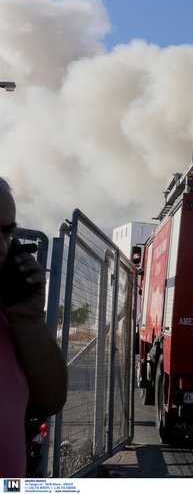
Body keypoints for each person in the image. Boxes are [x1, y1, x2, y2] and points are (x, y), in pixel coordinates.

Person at [0, 177, 68, 477]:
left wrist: (30, 321)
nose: (1, 246)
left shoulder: (9, 317)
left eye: (6, 232)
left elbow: (49, 400)